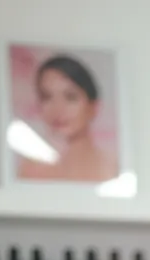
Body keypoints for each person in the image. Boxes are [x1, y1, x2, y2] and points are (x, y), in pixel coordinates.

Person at [16, 54, 118, 182]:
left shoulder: (114, 168)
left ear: (93, 107)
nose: (57, 109)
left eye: (70, 97)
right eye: (47, 97)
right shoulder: (30, 170)